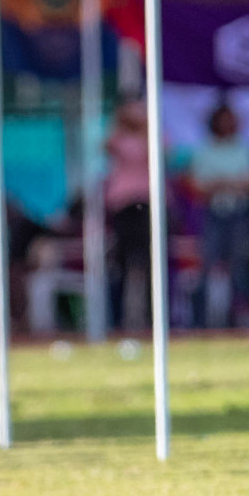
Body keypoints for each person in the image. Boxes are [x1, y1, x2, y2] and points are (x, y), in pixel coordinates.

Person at [189, 103, 249, 327]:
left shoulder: (244, 149)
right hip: (213, 212)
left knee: (239, 266)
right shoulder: (205, 150)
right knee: (207, 264)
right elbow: (198, 186)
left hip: (238, 212)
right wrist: (231, 183)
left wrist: (220, 182)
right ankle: (201, 320)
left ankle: (239, 317)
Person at [104, 98, 152, 331]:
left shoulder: (152, 133)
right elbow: (108, 146)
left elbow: (159, 152)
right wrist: (124, 123)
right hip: (123, 204)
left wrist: (144, 125)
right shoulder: (118, 136)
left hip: (147, 202)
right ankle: (118, 318)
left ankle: (152, 316)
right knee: (121, 262)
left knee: (150, 261)